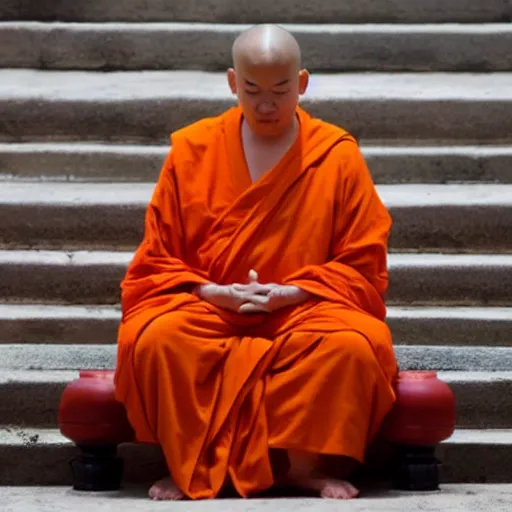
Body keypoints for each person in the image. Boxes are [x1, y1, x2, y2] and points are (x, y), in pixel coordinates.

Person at [114, 23, 398, 501]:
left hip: (303, 311)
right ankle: (193, 466)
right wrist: (210, 292)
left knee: (355, 345)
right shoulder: (193, 150)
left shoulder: (336, 155)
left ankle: (306, 464)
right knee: (153, 339)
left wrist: (294, 292)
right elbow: (157, 256)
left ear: (302, 84)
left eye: (281, 90)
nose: (267, 105)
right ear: (231, 83)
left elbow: (363, 259)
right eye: (252, 90)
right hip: (209, 311)